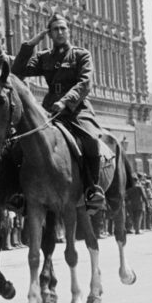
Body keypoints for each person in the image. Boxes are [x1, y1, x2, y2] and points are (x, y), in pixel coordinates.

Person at [11, 12, 106, 213]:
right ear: (50, 34)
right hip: (49, 109)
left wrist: (65, 101)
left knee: (90, 140)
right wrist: (32, 43)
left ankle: (92, 188)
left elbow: (85, 83)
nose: (60, 32)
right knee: (20, 143)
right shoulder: (44, 57)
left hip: (77, 108)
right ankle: (20, 192)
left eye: (63, 28)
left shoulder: (81, 55)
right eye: (55, 29)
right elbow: (18, 70)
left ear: (69, 31)